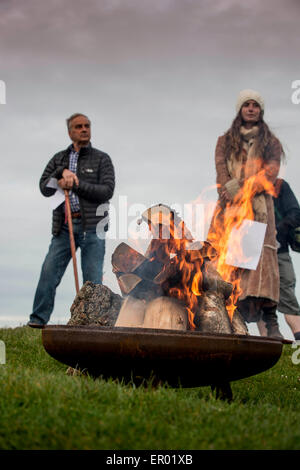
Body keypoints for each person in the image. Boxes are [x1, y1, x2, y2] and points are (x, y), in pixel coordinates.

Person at [28, 113, 115, 327]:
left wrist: (75, 184)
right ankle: (38, 321)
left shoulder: (102, 159)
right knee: (49, 272)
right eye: (78, 126)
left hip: (94, 227)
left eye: (87, 126)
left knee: (93, 280)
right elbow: (43, 186)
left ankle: (93, 325)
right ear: (70, 132)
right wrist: (60, 173)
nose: (84, 129)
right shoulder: (59, 158)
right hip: (65, 227)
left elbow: (106, 191)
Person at [209, 89, 285, 336]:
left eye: (255, 105)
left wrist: (246, 189)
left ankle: (271, 323)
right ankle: (232, 318)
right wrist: (229, 190)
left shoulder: (270, 142)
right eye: (246, 105)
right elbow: (221, 171)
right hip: (229, 208)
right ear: (240, 109)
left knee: (261, 267)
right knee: (230, 264)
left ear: (260, 111)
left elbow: (270, 172)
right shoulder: (225, 140)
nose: (251, 109)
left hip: (259, 209)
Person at [257, 179, 300, 341]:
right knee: (258, 298)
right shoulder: (244, 186)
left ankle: (299, 340)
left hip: (278, 251)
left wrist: (277, 229)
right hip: (254, 253)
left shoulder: (279, 185)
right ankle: (266, 340)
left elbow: (296, 213)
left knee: (287, 294)